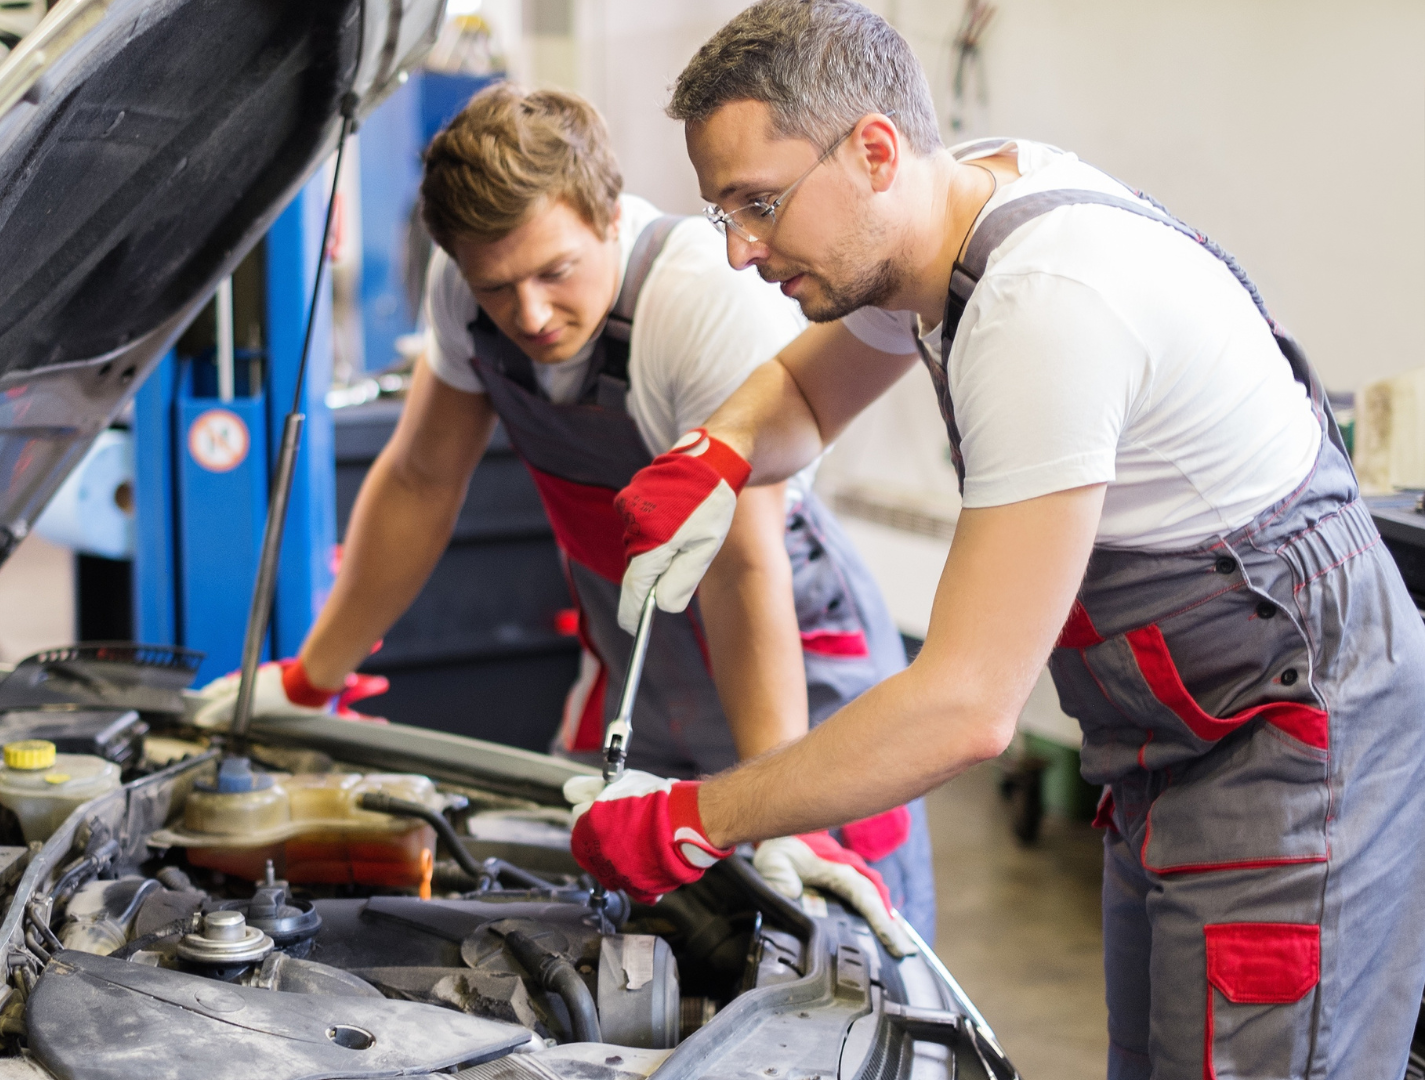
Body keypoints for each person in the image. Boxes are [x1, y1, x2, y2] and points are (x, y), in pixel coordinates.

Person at [565, 1, 1425, 1076]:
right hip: (1174, 748)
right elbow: (808, 391)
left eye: (760, 204)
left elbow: (966, 708)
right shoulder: (945, 213)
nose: (740, 251)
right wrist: (719, 449)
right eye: (721, 212)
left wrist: (697, 817)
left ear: (876, 150)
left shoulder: (1039, 306)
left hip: (1293, 751)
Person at [194, 83, 934, 939]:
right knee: (588, 910)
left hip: (789, 655)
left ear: (610, 215)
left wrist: (781, 804)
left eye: (555, 272)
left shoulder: (696, 303)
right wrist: (312, 679)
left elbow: (741, 565)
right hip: (634, 653)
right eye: (498, 286)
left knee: (838, 937)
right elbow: (421, 481)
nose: (531, 314)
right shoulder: (466, 293)